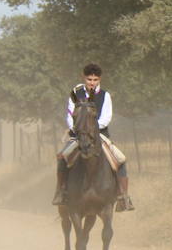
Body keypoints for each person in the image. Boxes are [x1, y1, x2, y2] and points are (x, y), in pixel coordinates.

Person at [52, 64, 134, 212]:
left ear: (99, 79)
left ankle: (123, 196)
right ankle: (61, 191)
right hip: (78, 134)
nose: (92, 82)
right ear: (84, 78)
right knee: (62, 156)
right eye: (89, 79)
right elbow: (70, 114)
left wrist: (92, 128)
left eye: (95, 80)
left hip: (99, 134)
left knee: (120, 159)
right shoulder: (75, 93)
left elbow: (106, 117)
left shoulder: (105, 95)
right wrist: (77, 128)